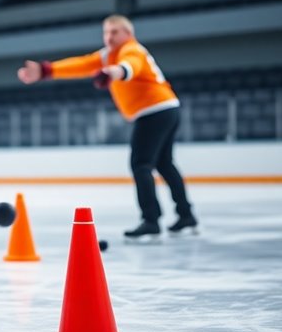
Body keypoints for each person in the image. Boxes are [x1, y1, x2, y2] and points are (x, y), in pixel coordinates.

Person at [17, 14, 197, 240]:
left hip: (155, 111)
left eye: (114, 32)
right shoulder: (107, 56)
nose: (109, 36)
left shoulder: (131, 50)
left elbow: (130, 66)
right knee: (164, 164)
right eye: (106, 32)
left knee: (141, 164)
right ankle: (185, 214)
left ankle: (151, 220)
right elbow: (81, 64)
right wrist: (46, 70)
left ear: (128, 34)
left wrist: (114, 72)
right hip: (165, 109)